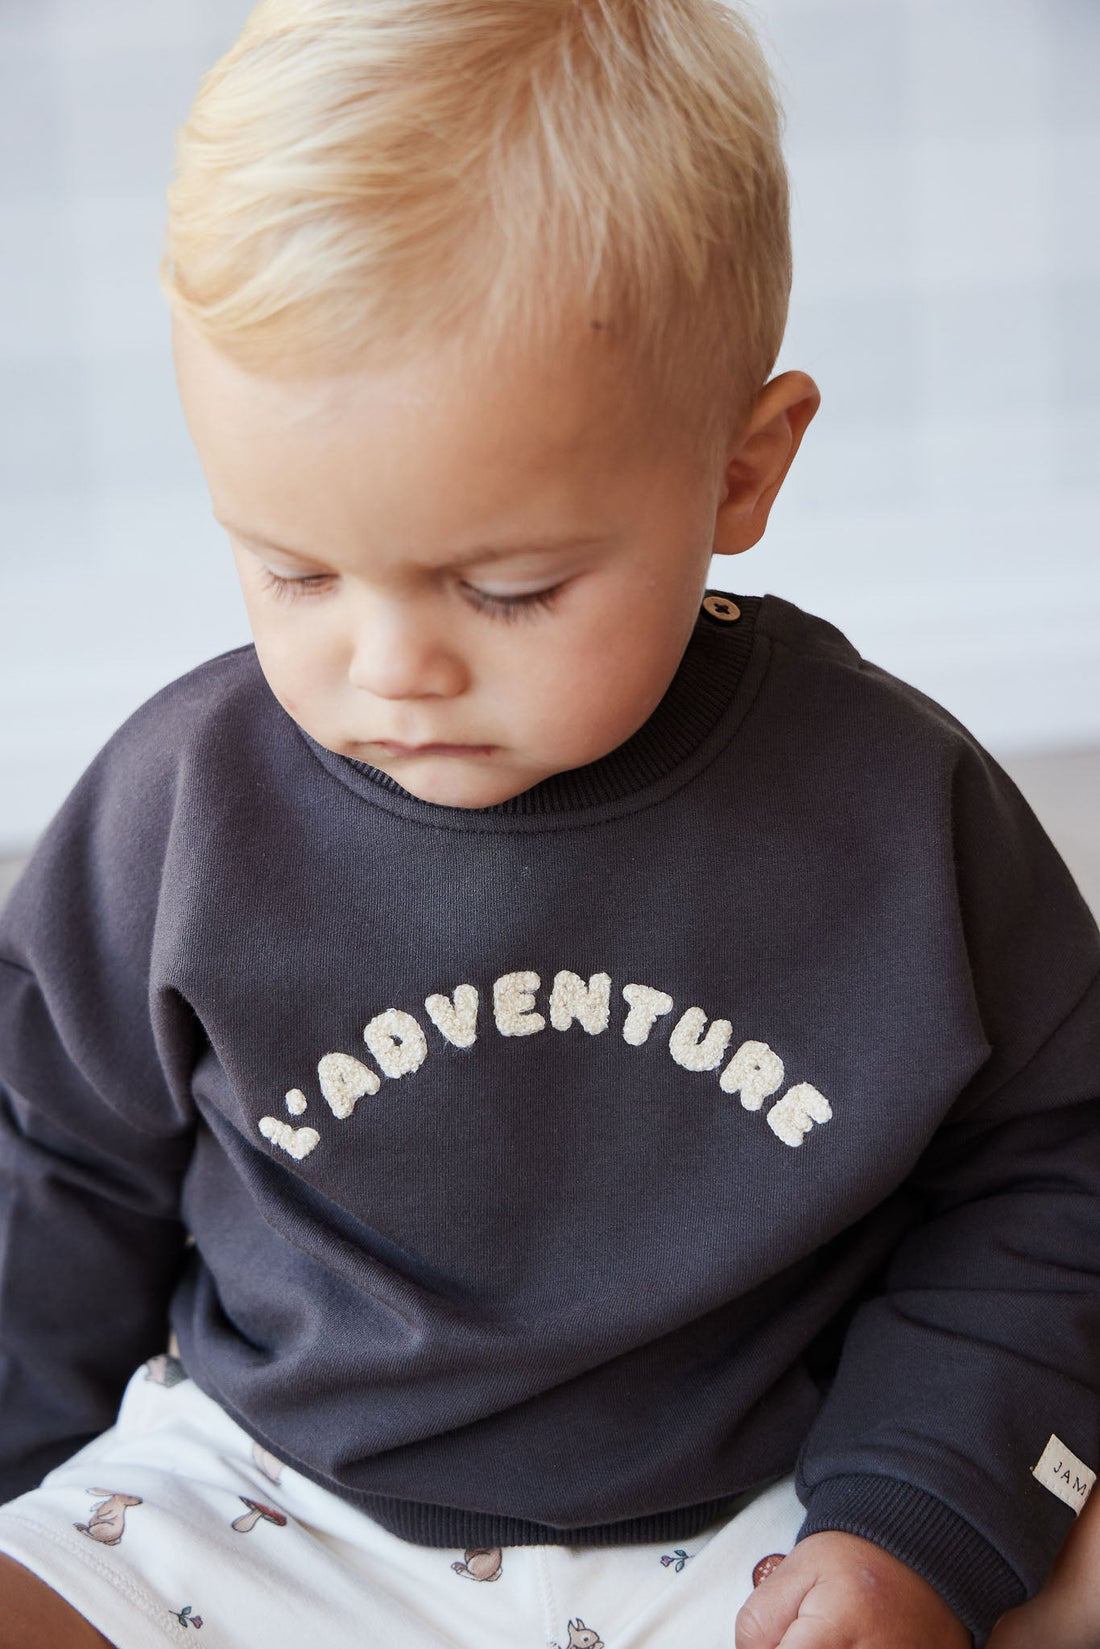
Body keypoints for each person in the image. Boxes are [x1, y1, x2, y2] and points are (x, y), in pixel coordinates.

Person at [0, 2, 1098, 1645]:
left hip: (765, 1511)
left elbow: (1054, 1175)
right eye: (292, 569)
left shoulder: (899, 812)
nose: (391, 666)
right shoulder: (180, 809)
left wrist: (917, 1517)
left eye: (507, 586)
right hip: (266, 1497)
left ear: (742, 470)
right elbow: (48, 1175)